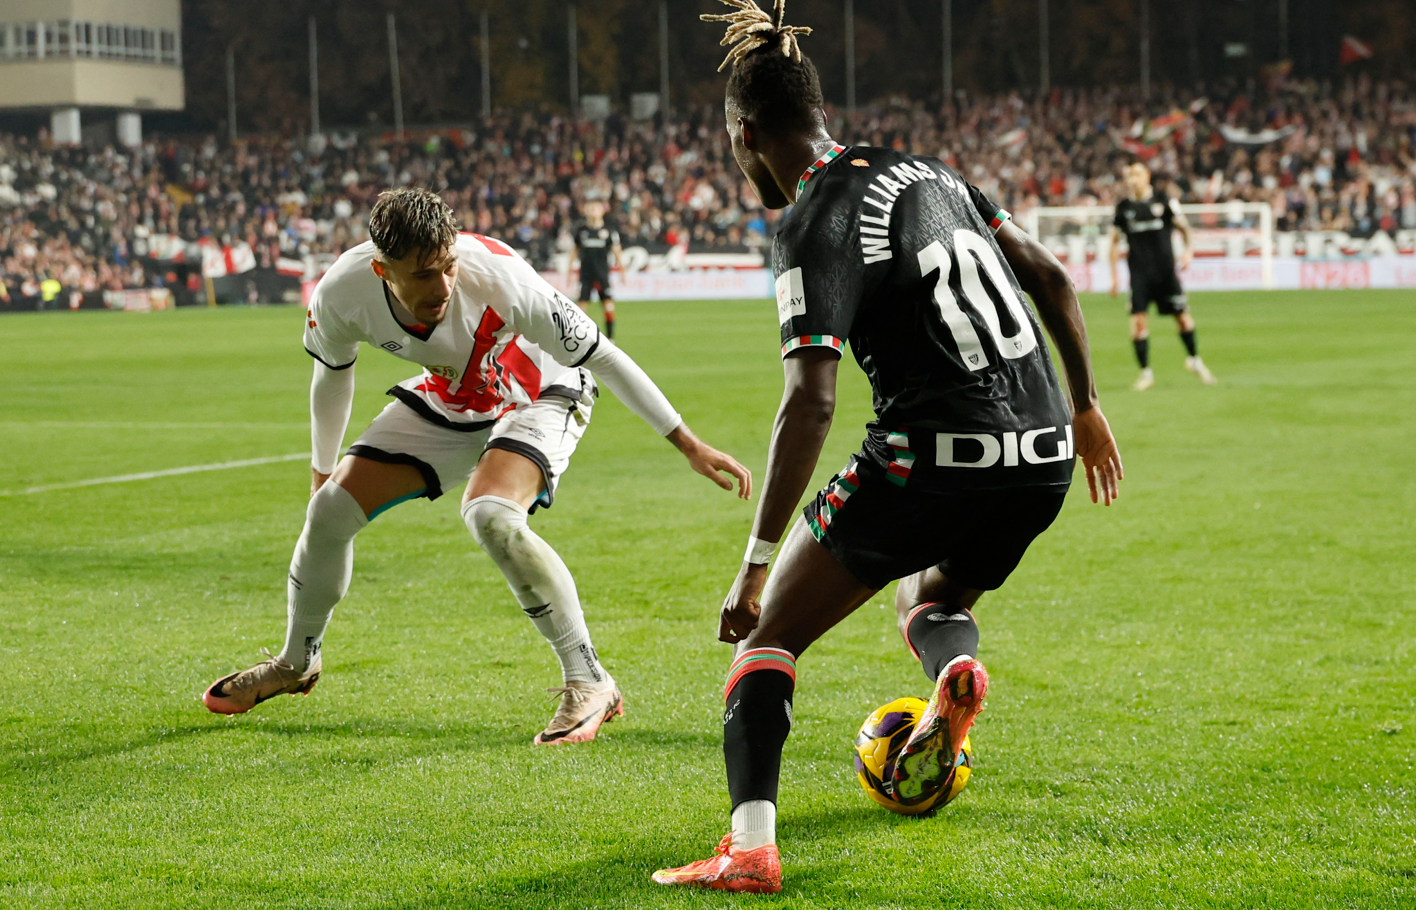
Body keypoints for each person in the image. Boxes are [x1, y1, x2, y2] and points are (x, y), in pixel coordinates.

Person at [652, 0, 1123, 893]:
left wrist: (752, 567)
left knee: (771, 642)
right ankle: (955, 671)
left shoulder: (812, 218)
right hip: (1043, 453)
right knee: (933, 597)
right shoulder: (931, 171)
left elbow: (809, 404)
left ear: (746, 133)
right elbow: (1054, 275)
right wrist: (1088, 407)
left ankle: (748, 849)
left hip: (933, 454)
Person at [203, 188, 751, 745]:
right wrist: (322, 472)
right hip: (453, 395)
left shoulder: (502, 280)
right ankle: (297, 662)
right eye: (422, 276)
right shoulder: (342, 293)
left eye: (447, 267)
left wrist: (687, 443)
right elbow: (333, 374)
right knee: (327, 512)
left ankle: (590, 679)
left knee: (490, 514)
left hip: (542, 387)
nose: (441, 287)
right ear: (380, 269)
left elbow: (602, 354)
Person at [1109, 162, 1216, 390]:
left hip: (1166, 272)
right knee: (1137, 322)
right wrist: (1114, 278)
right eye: (1129, 176)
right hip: (1139, 275)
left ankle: (1194, 360)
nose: (1132, 180)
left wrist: (1189, 251)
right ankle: (1145, 373)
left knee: (1183, 318)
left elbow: (1185, 228)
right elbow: (1113, 243)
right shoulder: (1123, 208)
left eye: (1136, 174)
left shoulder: (1163, 201)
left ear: (1146, 176)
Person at [570, 201, 622, 339]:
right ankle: (580, 338)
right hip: (585, 275)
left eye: (596, 208)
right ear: (585, 211)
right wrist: (569, 271)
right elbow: (574, 251)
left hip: (602, 275)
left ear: (602, 211)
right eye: (590, 208)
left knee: (608, 305)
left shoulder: (609, 231)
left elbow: (617, 251)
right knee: (581, 308)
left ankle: (611, 338)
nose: (593, 210)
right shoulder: (581, 231)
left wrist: (623, 270)